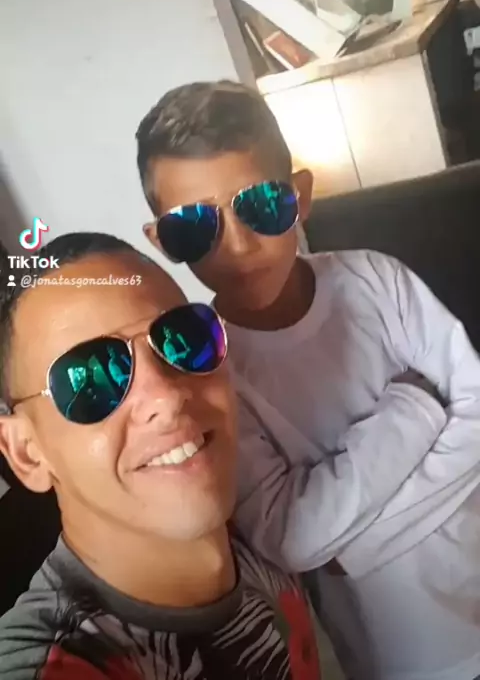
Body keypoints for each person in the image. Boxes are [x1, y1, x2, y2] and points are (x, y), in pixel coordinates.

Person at [135, 79, 480, 680]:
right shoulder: (208, 371)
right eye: (194, 226)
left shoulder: (378, 281)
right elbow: (291, 535)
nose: (238, 245)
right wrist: (416, 408)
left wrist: (351, 549)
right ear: (162, 240)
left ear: (300, 196)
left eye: (261, 205)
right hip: (407, 660)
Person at [0, 232, 337, 680]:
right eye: (90, 380)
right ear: (27, 453)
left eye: (184, 338)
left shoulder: (261, 523)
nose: (167, 396)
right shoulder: (56, 663)